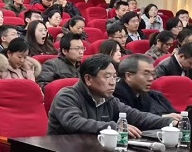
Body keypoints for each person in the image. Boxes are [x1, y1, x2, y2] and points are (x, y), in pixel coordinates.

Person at [47, 54, 176, 136]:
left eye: (114, 77)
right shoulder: (67, 96)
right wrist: (114, 127)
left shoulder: (109, 100)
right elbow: (74, 123)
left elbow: (137, 116)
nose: (112, 82)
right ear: (88, 79)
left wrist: (170, 122)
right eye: (107, 76)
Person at [114, 54, 180, 118]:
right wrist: (162, 118)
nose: (151, 78)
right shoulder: (116, 95)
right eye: (146, 74)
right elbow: (133, 119)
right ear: (129, 76)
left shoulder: (154, 95)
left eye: (153, 74)